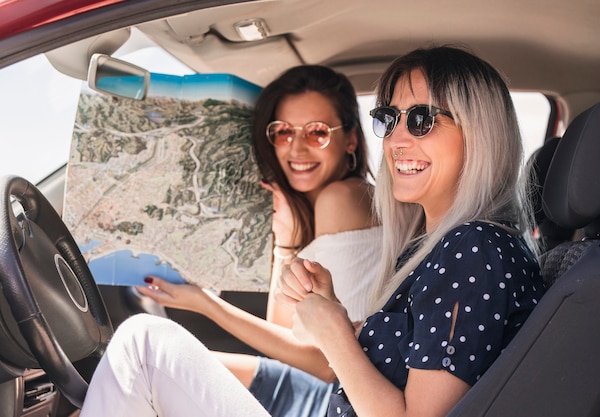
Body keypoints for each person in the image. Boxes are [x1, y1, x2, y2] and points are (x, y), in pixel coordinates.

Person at [80, 45, 546, 417]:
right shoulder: (435, 248)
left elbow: (347, 374)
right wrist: (332, 312)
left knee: (143, 345)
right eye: (389, 119)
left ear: (480, 133)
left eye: (422, 119)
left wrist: (334, 332)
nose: (399, 138)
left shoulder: (475, 249)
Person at [133, 65, 382, 415]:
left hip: (338, 401)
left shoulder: (341, 200)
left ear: (351, 139)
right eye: (283, 132)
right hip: (322, 391)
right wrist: (287, 244)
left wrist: (206, 305)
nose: (296, 148)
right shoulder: (316, 209)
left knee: (143, 366)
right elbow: (288, 340)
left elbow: (329, 364)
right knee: (144, 368)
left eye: (317, 133)